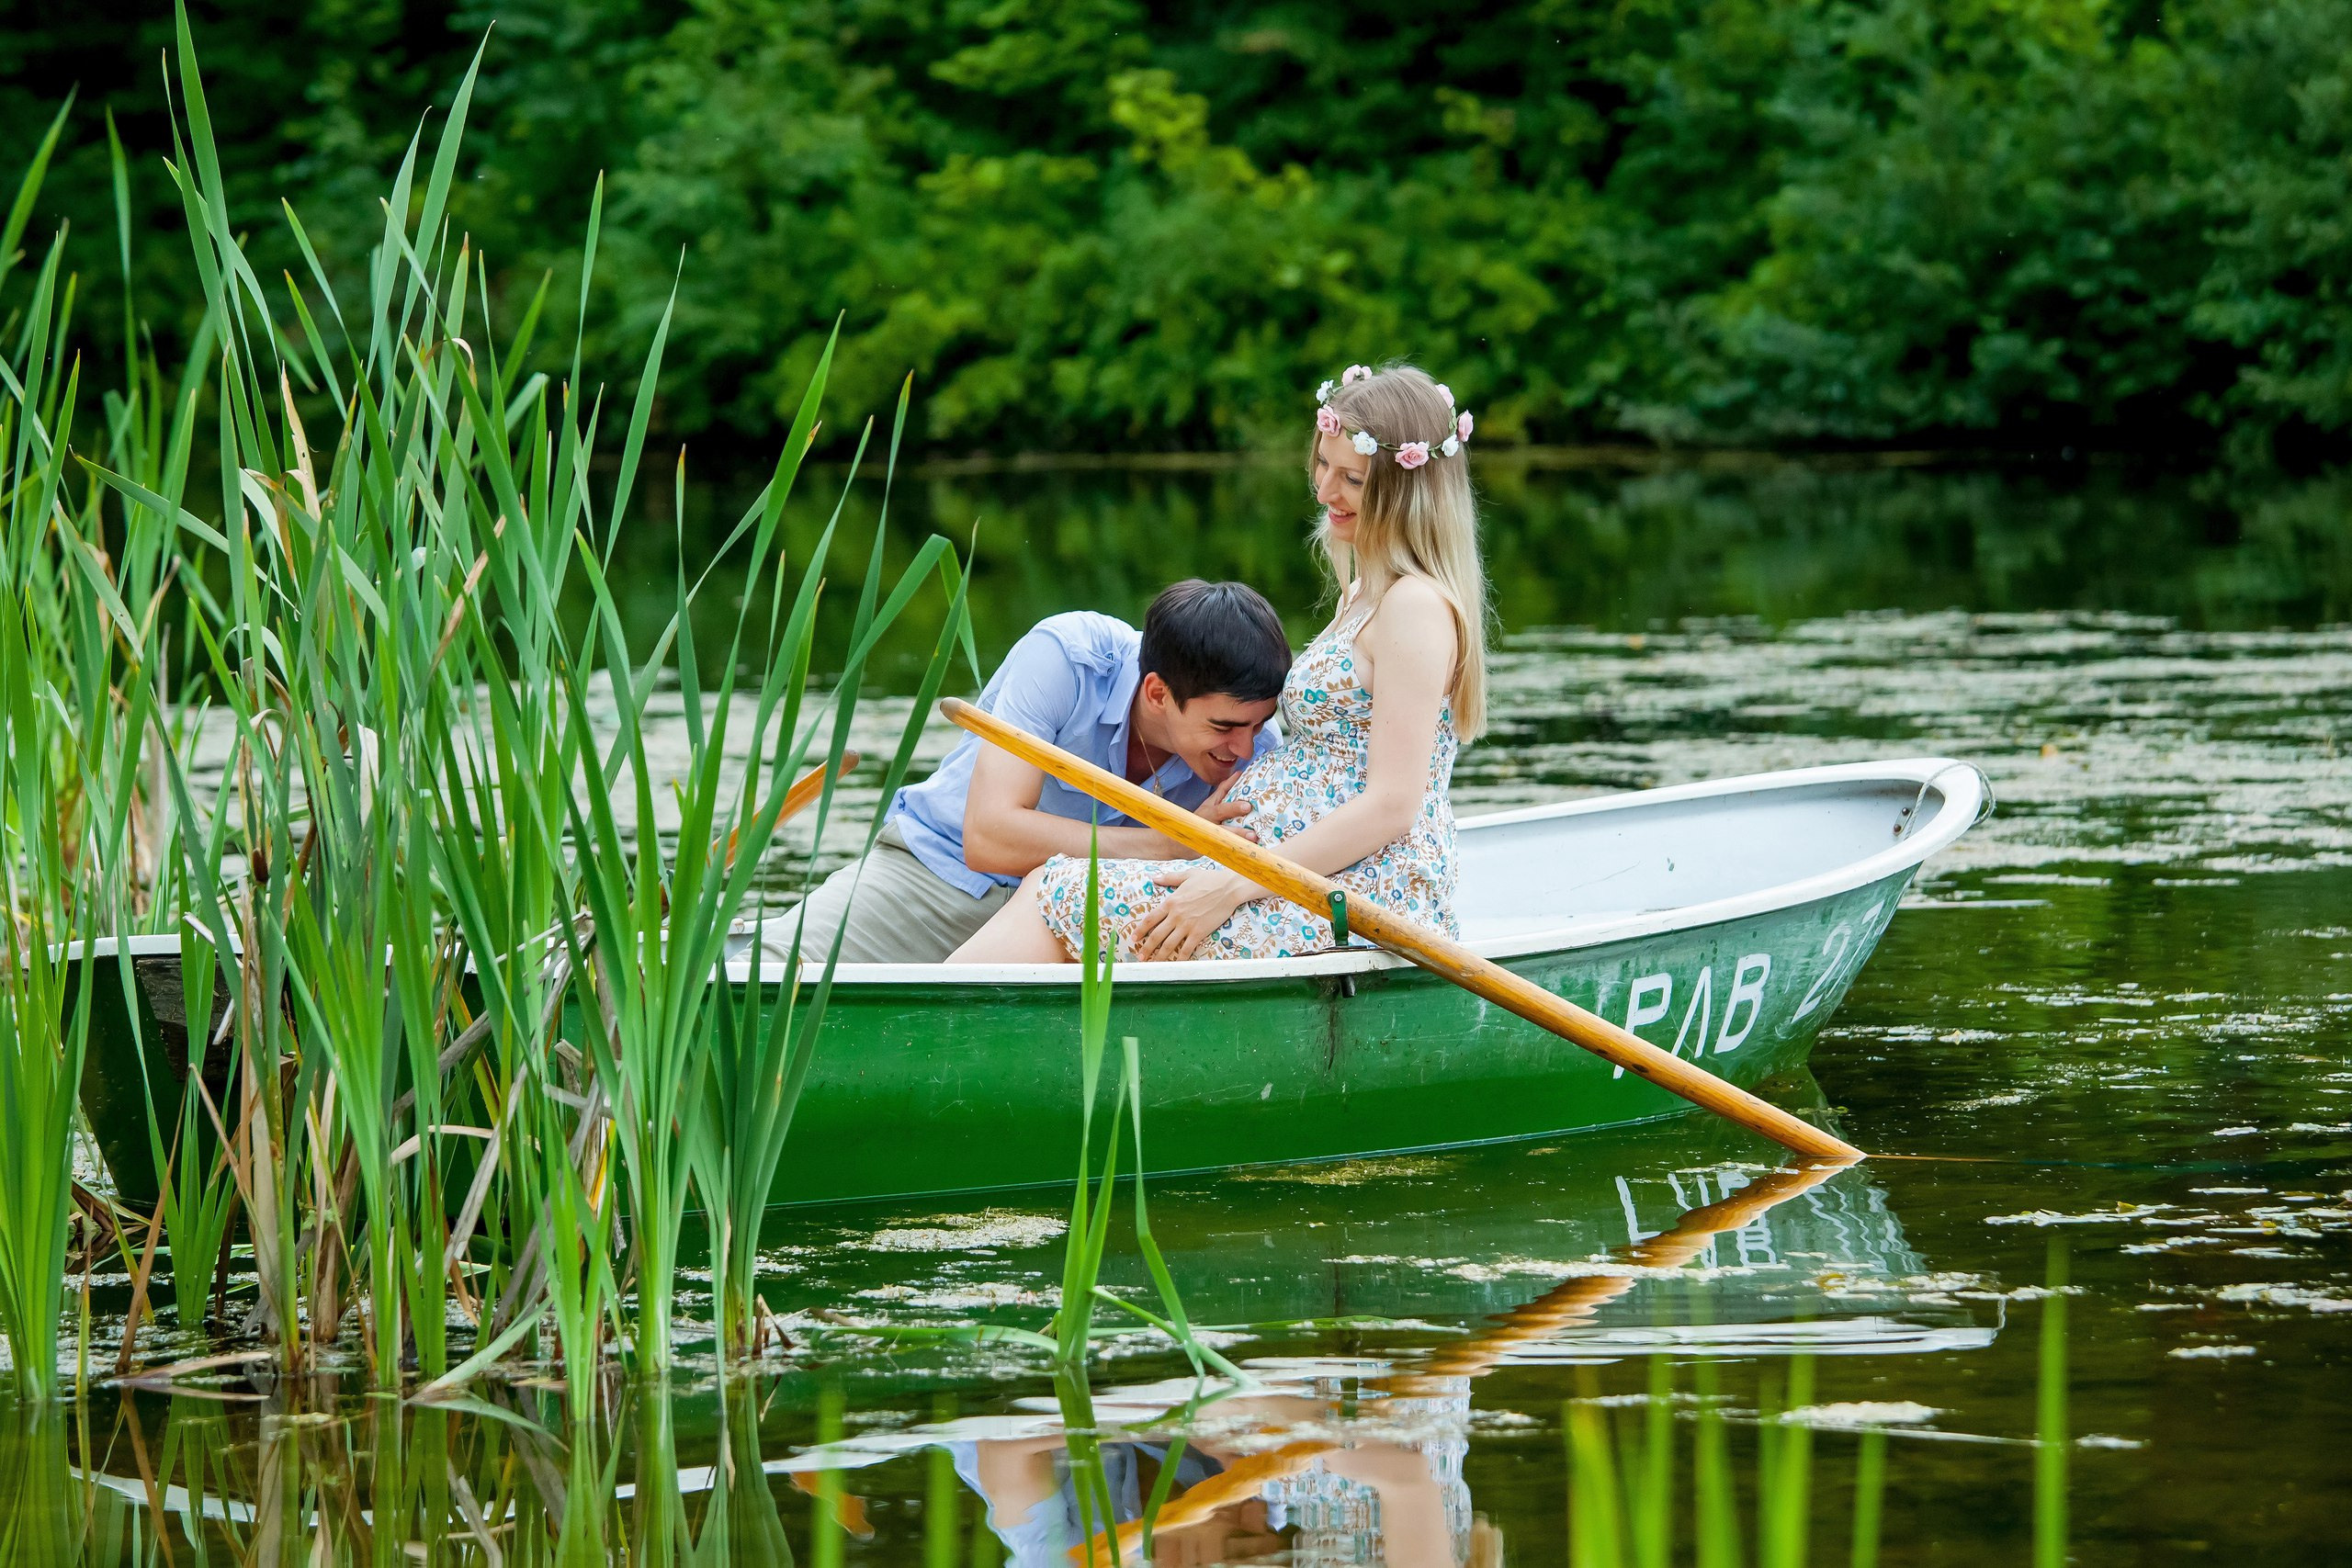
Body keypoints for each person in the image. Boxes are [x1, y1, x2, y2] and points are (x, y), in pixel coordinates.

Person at [950, 363, 1487, 964]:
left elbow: (1392, 804)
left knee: (1059, 888)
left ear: (1406, 488)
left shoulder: (1415, 605)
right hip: (1288, 877)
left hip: (1358, 895)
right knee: (1059, 886)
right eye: (1322, 464)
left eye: (1353, 479)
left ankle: (925, 1042)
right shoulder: (1363, 594)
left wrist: (1232, 884)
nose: (1325, 491)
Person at [779, 579, 1291, 963]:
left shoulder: (1257, 747)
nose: (1244, 748)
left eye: (1259, 723)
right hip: (936, 878)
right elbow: (989, 838)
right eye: (1225, 726)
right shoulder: (1067, 658)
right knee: (756, 976)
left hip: (1075, 920)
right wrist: (1169, 843)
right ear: (1158, 693)